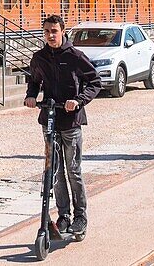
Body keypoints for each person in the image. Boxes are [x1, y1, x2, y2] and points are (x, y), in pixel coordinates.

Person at [25, 14, 101, 240]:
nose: (50, 35)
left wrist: (78, 100)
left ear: (62, 31)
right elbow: (34, 82)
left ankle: (80, 217)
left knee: (73, 171)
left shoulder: (75, 56)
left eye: (54, 31)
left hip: (71, 122)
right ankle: (64, 215)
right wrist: (31, 96)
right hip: (49, 119)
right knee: (54, 172)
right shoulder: (39, 57)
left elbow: (94, 82)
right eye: (47, 31)